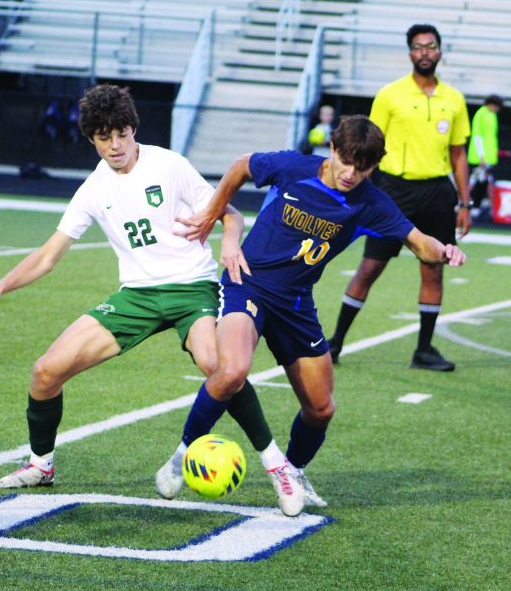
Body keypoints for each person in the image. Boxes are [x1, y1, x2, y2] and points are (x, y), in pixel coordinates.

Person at [0, 84, 291, 506]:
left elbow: (230, 213)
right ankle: (41, 465)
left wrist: (230, 242)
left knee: (219, 366)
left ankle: (277, 466)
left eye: (121, 133)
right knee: (46, 372)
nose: (115, 145)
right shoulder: (92, 189)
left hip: (192, 287)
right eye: (104, 137)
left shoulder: (169, 165)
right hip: (136, 296)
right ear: (91, 139)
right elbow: (49, 255)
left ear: (133, 129)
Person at [156, 115, 466, 517]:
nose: (352, 173)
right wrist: (211, 214)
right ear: (333, 149)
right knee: (232, 371)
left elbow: (417, 241)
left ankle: (293, 470)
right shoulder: (294, 167)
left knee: (321, 408)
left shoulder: (370, 201)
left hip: (297, 303)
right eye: (347, 161)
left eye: (364, 167)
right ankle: (183, 454)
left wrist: (443, 250)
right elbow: (241, 166)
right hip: (246, 282)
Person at [327, 24, 472, 372]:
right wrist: (360, 193)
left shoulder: (454, 99)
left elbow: (459, 154)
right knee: (370, 267)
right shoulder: (390, 95)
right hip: (393, 190)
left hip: (438, 192)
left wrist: (464, 203)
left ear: (440, 51)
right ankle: (335, 343)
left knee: (434, 269)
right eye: (418, 47)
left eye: (431, 46)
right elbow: (369, 147)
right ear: (410, 53)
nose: (425, 52)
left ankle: (424, 350)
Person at [468, 95, 503, 219]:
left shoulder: (492, 116)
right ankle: (468, 205)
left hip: (489, 158)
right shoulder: (480, 114)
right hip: (479, 158)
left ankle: (480, 207)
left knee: (485, 183)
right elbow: (477, 136)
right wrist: (481, 156)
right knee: (474, 183)